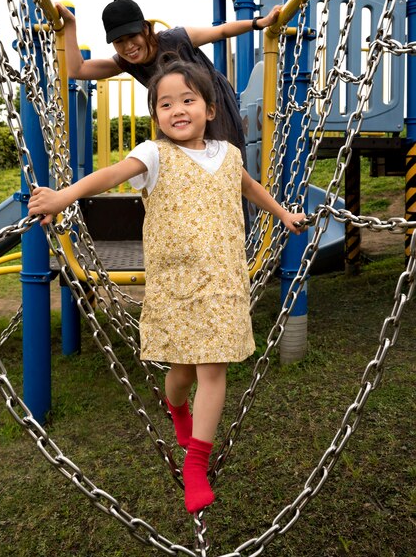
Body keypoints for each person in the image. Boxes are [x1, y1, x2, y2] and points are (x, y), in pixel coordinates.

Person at [28, 58, 306, 514]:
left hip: (222, 281)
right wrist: (63, 196)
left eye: (188, 100)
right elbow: (110, 175)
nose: (177, 109)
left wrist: (283, 214)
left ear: (209, 109)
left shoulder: (228, 154)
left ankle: (196, 462)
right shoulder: (154, 155)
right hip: (177, 285)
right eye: (165, 104)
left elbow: (249, 187)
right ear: (156, 115)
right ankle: (176, 408)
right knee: (181, 374)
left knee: (213, 369)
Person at [56, 0, 282, 229]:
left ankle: (232, 232)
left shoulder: (176, 39)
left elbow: (221, 30)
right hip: (176, 117)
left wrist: (259, 23)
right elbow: (78, 69)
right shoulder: (128, 62)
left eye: (132, 37)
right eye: (118, 41)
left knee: (226, 169)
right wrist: (70, 25)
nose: (128, 47)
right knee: (177, 169)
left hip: (214, 107)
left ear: (146, 29)